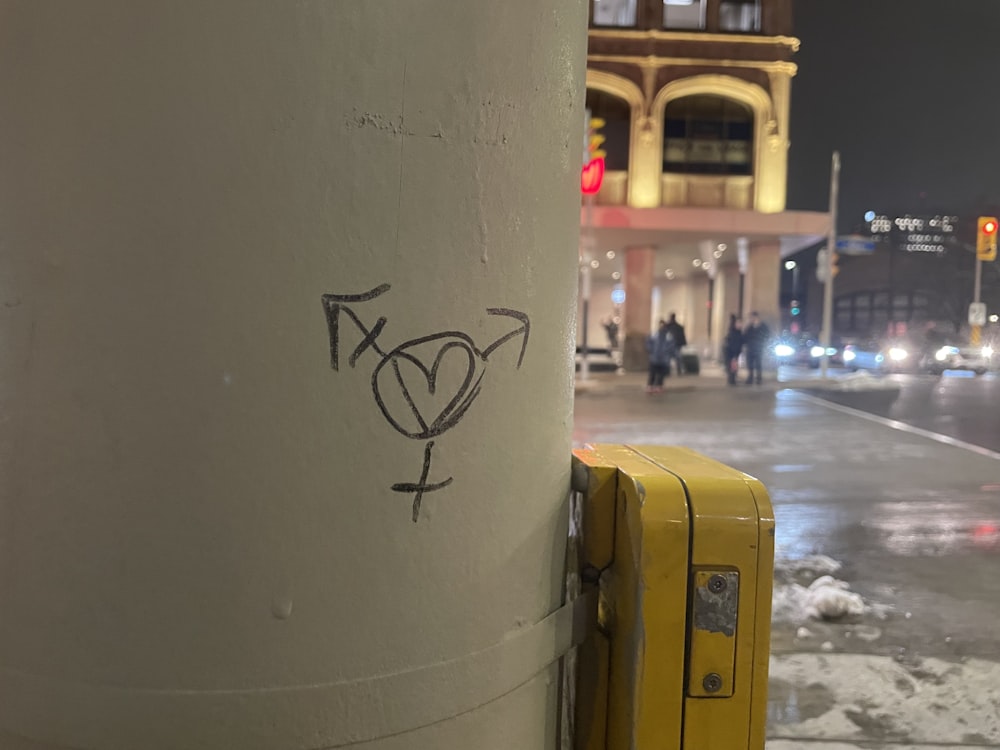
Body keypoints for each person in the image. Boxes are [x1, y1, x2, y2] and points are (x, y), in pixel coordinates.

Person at [645, 319, 676, 393]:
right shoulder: (655, 334)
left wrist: (667, 353)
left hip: (662, 358)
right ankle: (651, 386)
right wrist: (651, 350)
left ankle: (658, 386)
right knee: (653, 373)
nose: (661, 327)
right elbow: (649, 342)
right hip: (656, 357)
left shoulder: (667, 336)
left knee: (660, 374)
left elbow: (671, 346)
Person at [743, 311, 770, 385]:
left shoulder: (763, 326)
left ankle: (759, 379)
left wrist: (762, 342)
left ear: (756, 317)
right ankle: (750, 378)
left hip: (758, 348)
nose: (751, 319)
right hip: (750, 348)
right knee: (750, 364)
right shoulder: (750, 326)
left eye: (752, 317)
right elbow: (745, 336)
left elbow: (767, 335)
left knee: (758, 364)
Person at [723, 315, 744, 386]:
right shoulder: (733, 332)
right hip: (731, 353)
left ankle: (732, 380)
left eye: (741, 323)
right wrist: (734, 354)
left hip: (735, 352)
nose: (740, 325)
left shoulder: (739, 332)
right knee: (732, 367)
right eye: (738, 323)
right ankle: (731, 380)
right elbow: (733, 344)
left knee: (734, 367)